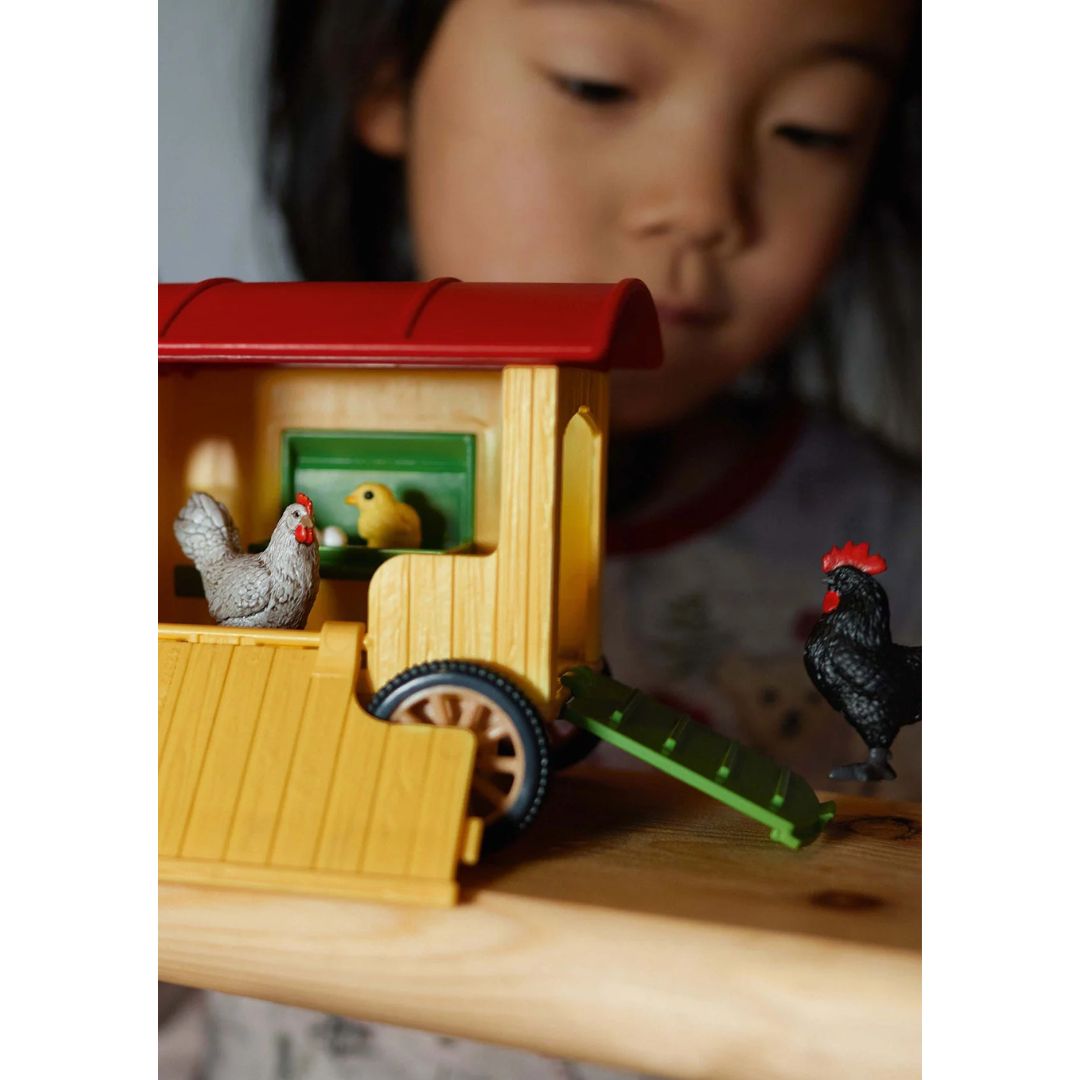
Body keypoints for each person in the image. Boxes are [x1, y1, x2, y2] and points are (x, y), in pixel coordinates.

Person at [172, 2, 921, 1078]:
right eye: (597, 83)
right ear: (383, 74)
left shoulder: (909, 538)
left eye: (814, 127)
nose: (702, 203)